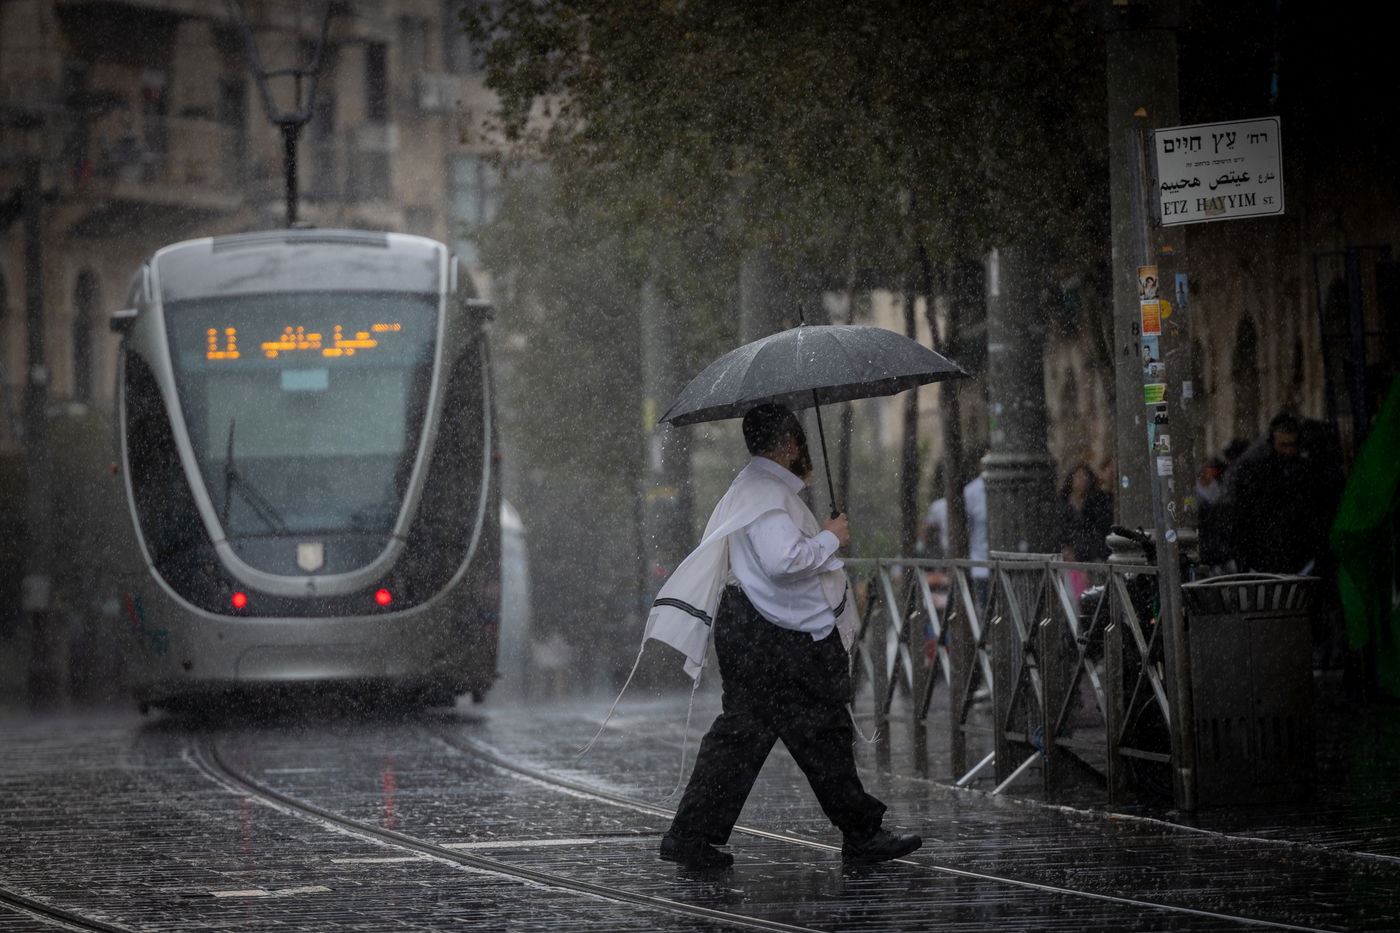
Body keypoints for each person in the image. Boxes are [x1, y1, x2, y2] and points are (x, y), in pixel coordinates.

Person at [657, 404, 922, 869]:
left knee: (754, 733)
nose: (801, 450)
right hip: (776, 636)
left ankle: (692, 835)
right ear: (784, 446)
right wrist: (830, 537)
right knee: (816, 728)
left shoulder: (753, 488)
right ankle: (861, 834)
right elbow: (783, 562)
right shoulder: (764, 493)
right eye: (797, 441)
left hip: (755, 631)